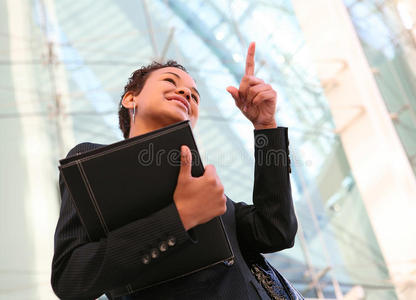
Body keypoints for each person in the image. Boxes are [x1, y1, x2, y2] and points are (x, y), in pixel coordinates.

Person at [51, 42, 298, 299]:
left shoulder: (209, 191)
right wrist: (181, 217)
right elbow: (71, 277)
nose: (186, 93)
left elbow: (276, 232)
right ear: (130, 98)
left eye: (194, 95)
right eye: (170, 81)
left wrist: (266, 127)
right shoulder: (91, 164)